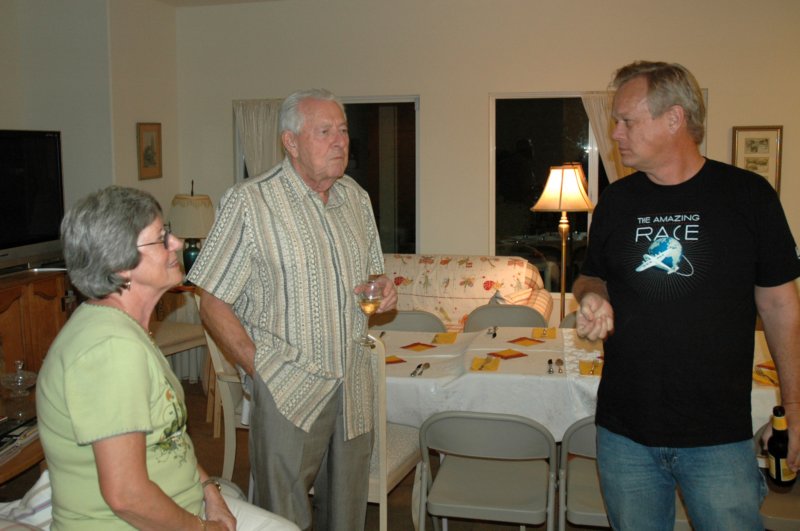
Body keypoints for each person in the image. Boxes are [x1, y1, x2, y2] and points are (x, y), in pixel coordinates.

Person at [573, 60, 800, 530]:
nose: (615, 133)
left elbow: (781, 307)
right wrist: (592, 296)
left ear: (674, 118)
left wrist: (796, 408)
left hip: (718, 436)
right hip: (624, 433)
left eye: (626, 120)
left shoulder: (749, 196)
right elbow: (591, 276)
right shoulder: (616, 200)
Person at [187, 88, 397, 531]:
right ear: (291, 142)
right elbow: (212, 300)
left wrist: (382, 288)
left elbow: (372, 275)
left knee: (348, 512)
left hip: (354, 384)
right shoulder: (250, 202)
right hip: (289, 389)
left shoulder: (356, 199)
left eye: (343, 130)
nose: (340, 141)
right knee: (281, 515)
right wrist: (260, 369)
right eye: (325, 132)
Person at [36, 186, 299, 531]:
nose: (176, 243)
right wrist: (202, 529)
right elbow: (126, 496)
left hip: (183, 508)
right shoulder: (110, 350)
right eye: (161, 238)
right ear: (120, 266)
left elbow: (169, 439)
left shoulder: (126, 331)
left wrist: (210, 490)